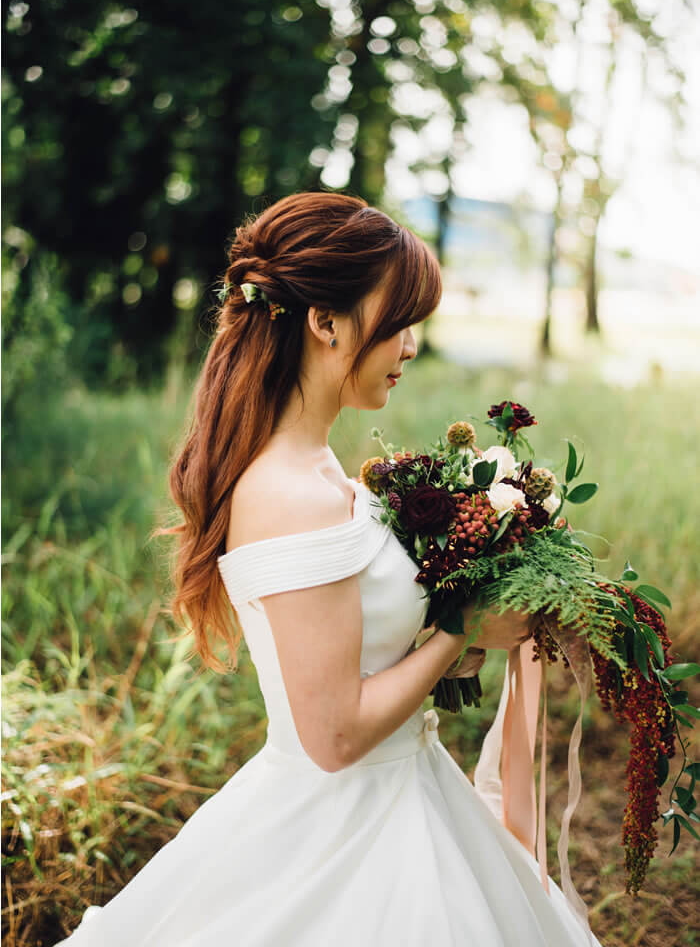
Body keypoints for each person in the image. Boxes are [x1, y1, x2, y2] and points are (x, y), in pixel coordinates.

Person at [56, 192, 603, 946]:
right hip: (344, 825)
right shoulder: (286, 494)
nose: (410, 347)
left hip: (409, 784)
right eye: (400, 321)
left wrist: (468, 606)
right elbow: (335, 737)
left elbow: (362, 645)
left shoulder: (318, 466)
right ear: (325, 322)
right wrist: (460, 626)